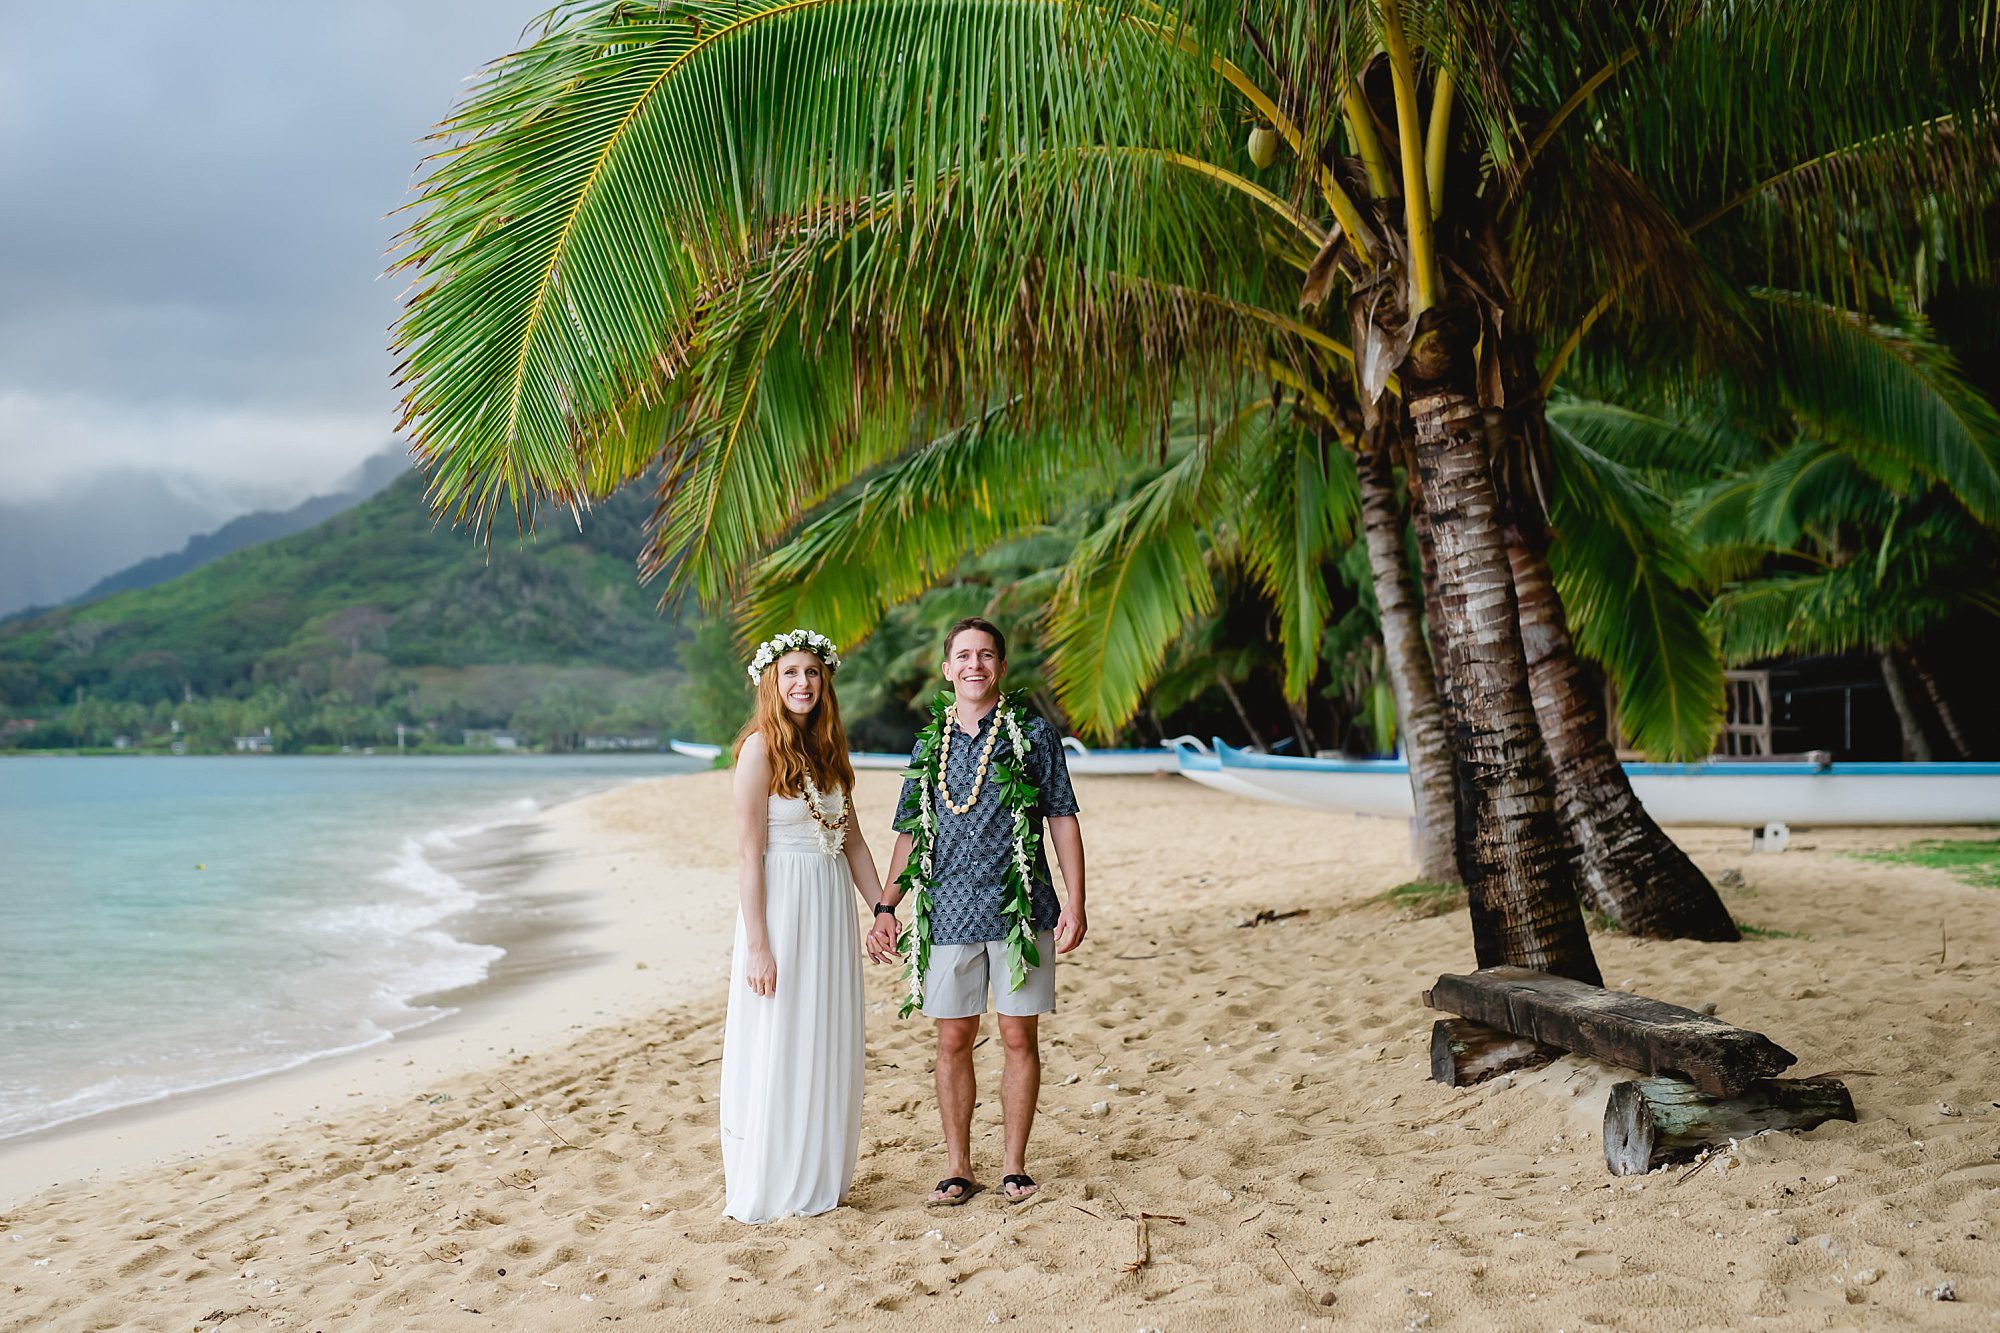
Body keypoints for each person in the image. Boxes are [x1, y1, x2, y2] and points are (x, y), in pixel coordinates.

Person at [868, 617, 1088, 1205]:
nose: (974, 665)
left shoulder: (1034, 735)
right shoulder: (928, 745)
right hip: (948, 912)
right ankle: (958, 1166)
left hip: (1024, 911)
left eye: (986, 655)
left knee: (1019, 1036)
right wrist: (888, 904)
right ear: (947, 670)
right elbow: (910, 834)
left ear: (1001, 667)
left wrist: (1076, 901)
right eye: (963, 656)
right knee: (953, 1039)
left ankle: (1015, 1165)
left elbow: (1062, 818)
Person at [720, 629, 897, 1224]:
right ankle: (774, 1178)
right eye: (791, 673)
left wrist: (882, 909)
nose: (803, 683)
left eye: (813, 673)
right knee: (782, 1036)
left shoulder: (828, 752)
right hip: (782, 910)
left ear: (826, 684)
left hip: (828, 911)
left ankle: (818, 1174)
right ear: (772, 681)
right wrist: (759, 947)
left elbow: (853, 843)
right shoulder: (758, 750)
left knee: (826, 1033)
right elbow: (749, 856)